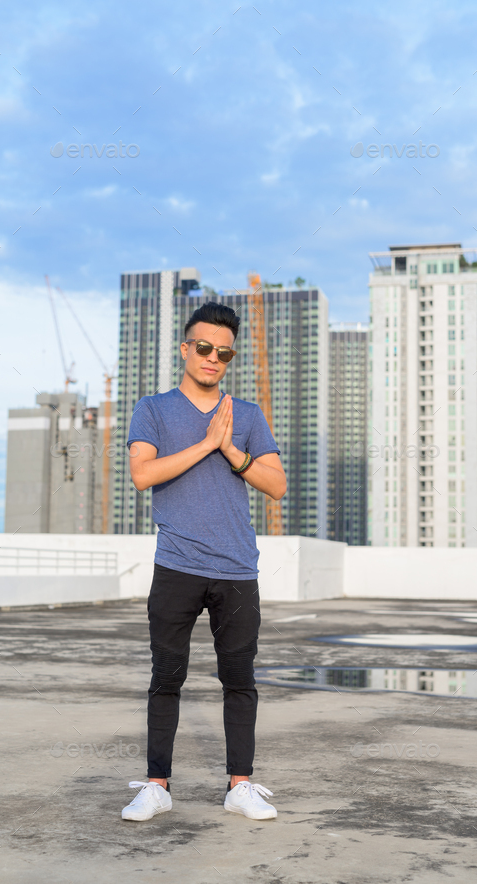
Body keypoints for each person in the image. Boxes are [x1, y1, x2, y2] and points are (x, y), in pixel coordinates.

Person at [121, 300, 286, 823]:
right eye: (205, 347)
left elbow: (276, 485)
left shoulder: (250, 416)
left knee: (239, 679)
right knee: (165, 676)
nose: (214, 357)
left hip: (237, 568)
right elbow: (143, 474)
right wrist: (208, 443)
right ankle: (156, 785)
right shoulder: (153, 408)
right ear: (185, 348)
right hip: (177, 565)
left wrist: (232, 451)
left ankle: (240, 785)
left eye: (225, 351)